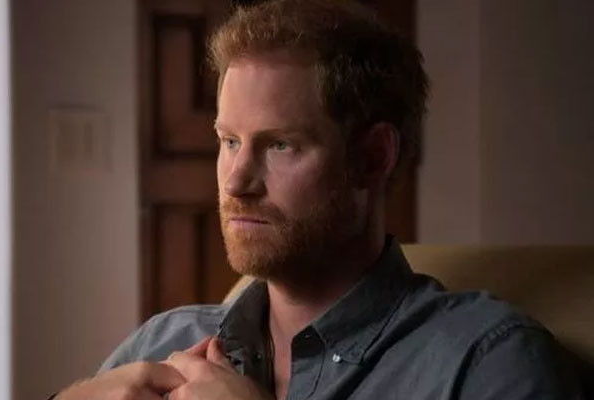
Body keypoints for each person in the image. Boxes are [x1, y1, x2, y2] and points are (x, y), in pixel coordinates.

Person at [56, 0, 584, 399]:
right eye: (229, 142)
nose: (236, 183)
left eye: (280, 145)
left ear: (373, 157)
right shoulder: (163, 340)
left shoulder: (486, 361)